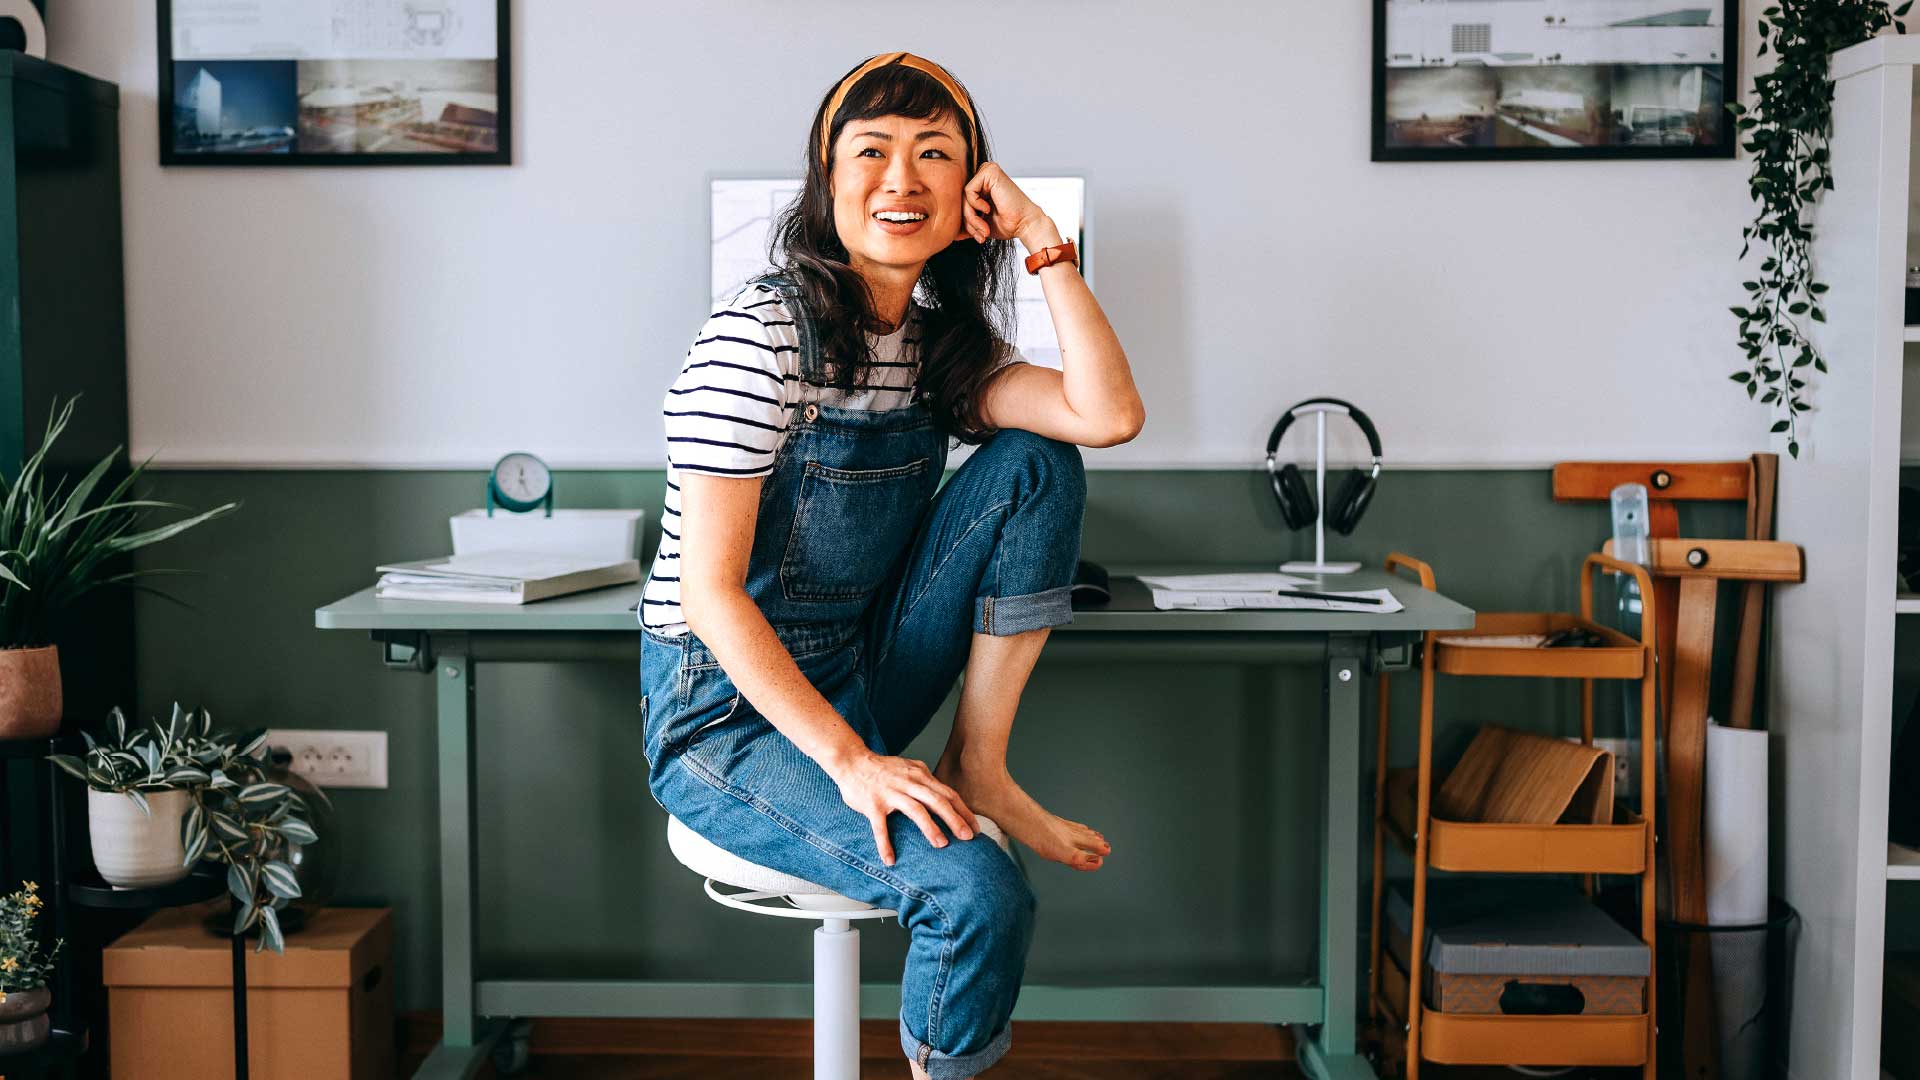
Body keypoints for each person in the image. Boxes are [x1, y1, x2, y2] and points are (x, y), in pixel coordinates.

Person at [639, 51, 1144, 1079]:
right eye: (870, 152)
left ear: (974, 198)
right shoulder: (758, 336)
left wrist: (1048, 246)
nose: (902, 179)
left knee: (1037, 459)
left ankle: (980, 764)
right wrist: (851, 760)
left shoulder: (938, 345)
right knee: (977, 892)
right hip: (726, 718)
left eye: (935, 156)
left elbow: (1106, 417)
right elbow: (710, 591)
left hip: (862, 666)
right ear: (828, 187)